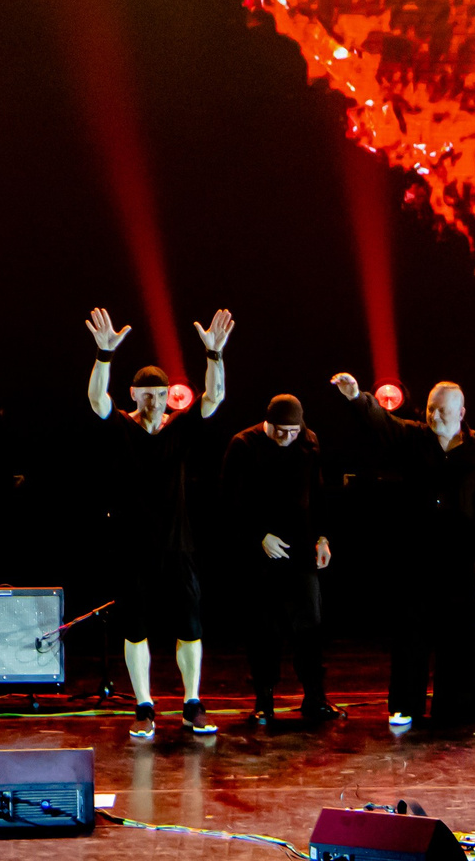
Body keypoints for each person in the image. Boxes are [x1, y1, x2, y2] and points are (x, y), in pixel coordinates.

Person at [328, 369, 475, 729]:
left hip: (459, 555)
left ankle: (455, 707)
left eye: (442, 411)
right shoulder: (413, 437)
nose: (434, 416)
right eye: (431, 409)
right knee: (411, 631)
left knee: (459, 633)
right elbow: (381, 422)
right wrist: (357, 397)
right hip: (417, 552)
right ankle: (405, 705)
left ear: (461, 413)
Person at [86, 304, 235, 738]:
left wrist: (214, 354)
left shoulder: (179, 429)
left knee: (190, 626)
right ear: (134, 394)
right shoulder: (121, 427)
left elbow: (215, 397)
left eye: (161, 393)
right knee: (136, 629)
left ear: (170, 395)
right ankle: (144, 707)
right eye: (146, 393)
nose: (154, 400)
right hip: (133, 546)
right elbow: (96, 399)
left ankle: (192, 703)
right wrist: (104, 354)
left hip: (178, 545)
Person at [219, 392, 338, 726]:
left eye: (293, 432)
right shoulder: (244, 445)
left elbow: (317, 494)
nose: (287, 438)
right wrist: (259, 535)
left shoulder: (308, 442)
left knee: (310, 625)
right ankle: (264, 699)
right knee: (264, 628)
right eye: (280, 432)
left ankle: (315, 697)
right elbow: (229, 501)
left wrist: (323, 537)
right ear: (268, 424)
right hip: (260, 552)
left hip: (300, 547)